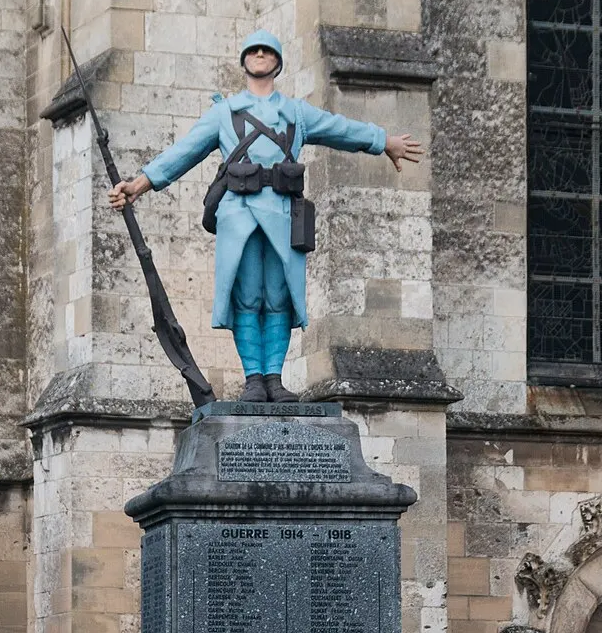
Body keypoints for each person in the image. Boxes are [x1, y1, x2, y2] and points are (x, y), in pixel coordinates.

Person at [108, 30, 425, 403]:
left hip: (282, 213)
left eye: (267, 51)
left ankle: (274, 378)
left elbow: (340, 129)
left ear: (277, 62)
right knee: (246, 298)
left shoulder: (296, 113)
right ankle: (254, 379)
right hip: (238, 215)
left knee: (278, 298)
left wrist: (384, 141)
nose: (259, 55)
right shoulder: (224, 113)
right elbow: (184, 152)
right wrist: (139, 184)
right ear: (244, 60)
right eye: (253, 51)